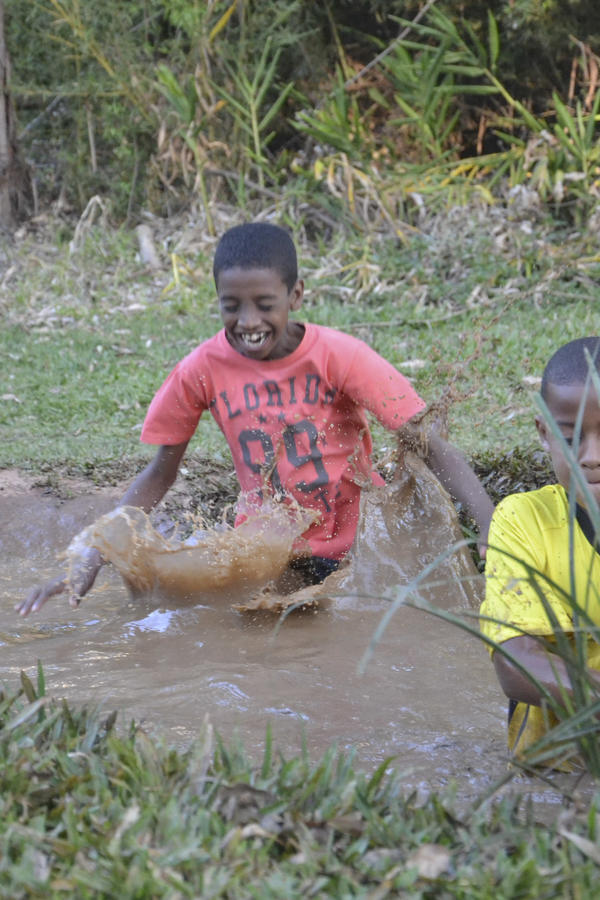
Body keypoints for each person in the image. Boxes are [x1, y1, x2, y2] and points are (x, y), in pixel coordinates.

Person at [17, 222, 493, 616]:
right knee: (214, 627)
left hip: (356, 549)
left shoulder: (340, 357)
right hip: (267, 552)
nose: (248, 321)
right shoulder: (200, 370)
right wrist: (94, 551)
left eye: (265, 305)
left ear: (296, 294)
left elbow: (427, 443)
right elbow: (160, 473)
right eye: (232, 305)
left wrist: (491, 529)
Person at [480, 336, 600, 765]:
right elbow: (515, 662)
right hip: (554, 773)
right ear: (544, 433)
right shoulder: (522, 523)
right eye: (572, 437)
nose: (591, 458)